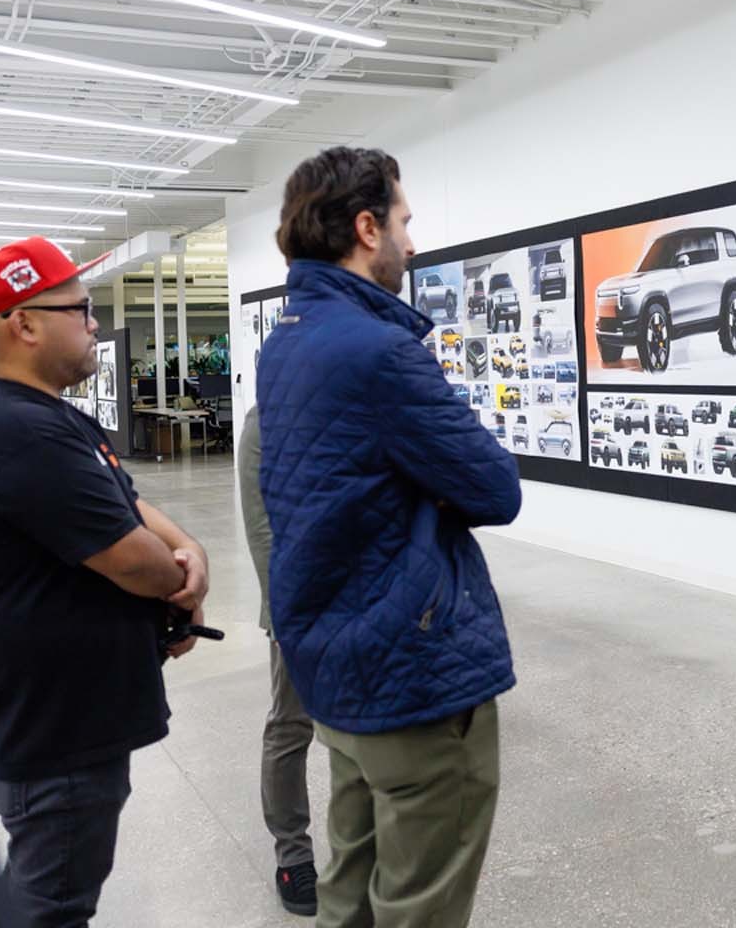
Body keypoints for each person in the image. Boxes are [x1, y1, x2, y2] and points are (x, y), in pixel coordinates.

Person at [258, 146, 521, 928]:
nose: (415, 241)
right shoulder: (379, 352)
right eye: (405, 221)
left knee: (350, 886)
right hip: (412, 671)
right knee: (420, 903)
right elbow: (495, 488)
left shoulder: (287, 342)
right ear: (367, 227)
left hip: (335, 662)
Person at [0, 237, 211, 928]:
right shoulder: (16, 431)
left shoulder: (40, 416)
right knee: (51, 906)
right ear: (24, 324)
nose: (94, 324)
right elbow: (132, 560)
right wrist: (172, 577)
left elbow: (122, 500)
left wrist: (187, 545)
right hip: (57, 733)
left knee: (42, 888)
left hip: (63, 718)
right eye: (81, 309)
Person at [239, 404, 319, 916]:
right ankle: (293, 854)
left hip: (372, 596)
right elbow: (261, 525)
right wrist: (286, 610)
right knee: (292, 724)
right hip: (302, 600)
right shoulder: (268, 416)